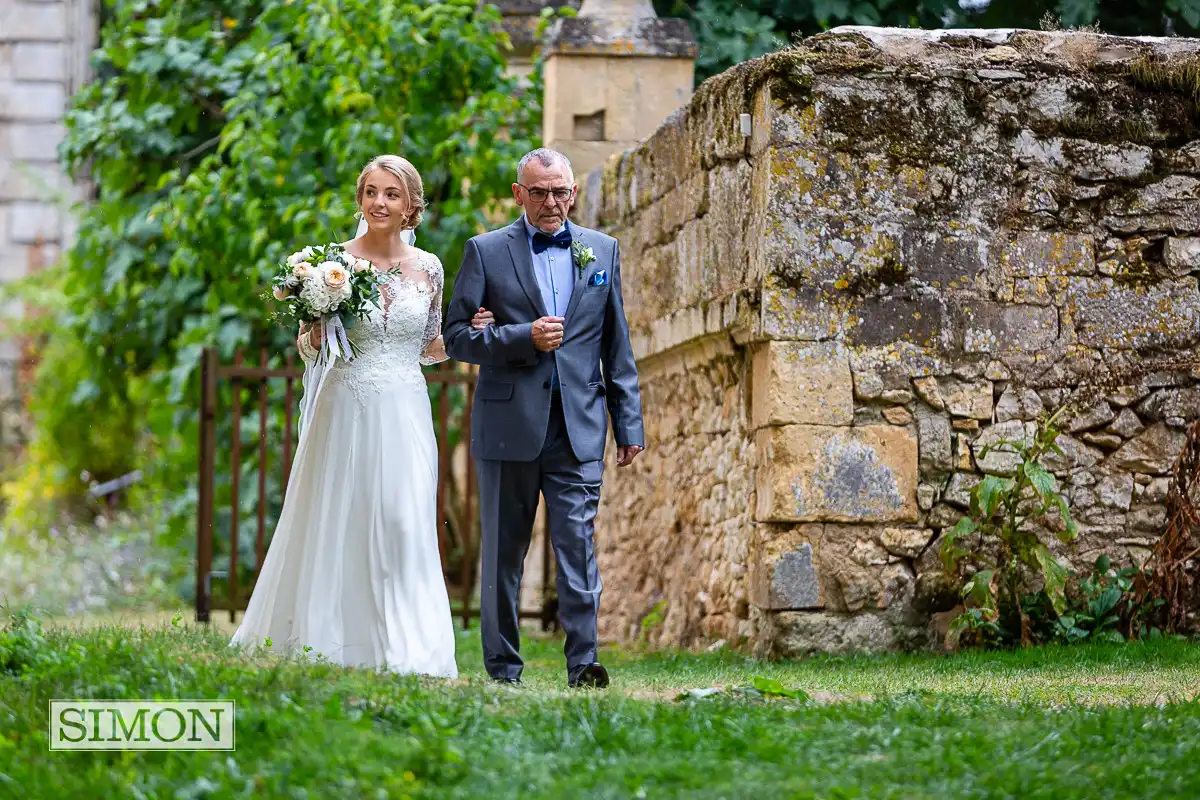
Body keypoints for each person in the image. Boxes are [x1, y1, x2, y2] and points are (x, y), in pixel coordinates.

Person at [231, 154, 491, 676]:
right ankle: (331, 637)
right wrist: (314, 331)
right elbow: (308, 346)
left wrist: (472, 332)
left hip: (405, 404)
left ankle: (408, 647)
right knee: (340, 515)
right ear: (360, 200)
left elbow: (427, 345)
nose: (379, 202)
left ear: (411, 205)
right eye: (371, 192)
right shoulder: (331, 267)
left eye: (391, 194)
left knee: (402, 516)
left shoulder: (430, 268)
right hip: (345, 403)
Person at [443, 147, 645, 688]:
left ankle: (584, 664)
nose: (551, 203)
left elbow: (616, 345)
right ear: (519, 195)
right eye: (539, 193)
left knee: (577, 548)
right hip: (508, 429)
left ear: (573, 194)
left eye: (560, 193)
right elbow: (457, 336)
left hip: (578, 427)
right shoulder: (485, 251)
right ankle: (503, 669)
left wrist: (629, 425)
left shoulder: (602, 251)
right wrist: (517, 337)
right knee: (505, 554)